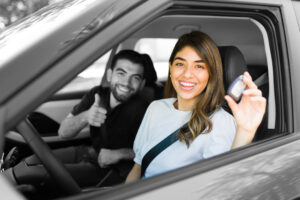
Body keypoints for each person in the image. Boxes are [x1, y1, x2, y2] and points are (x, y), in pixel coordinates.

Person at [125, 31, 266, 181]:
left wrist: (245, 131)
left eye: (199, 67)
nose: (187, 74)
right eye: (180, 64)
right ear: (171, 68)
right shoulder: (156, 108)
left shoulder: (221, 122)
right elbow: (138, 168)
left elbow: (223, 183)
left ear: (211, 74)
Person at [5, 50, 153, 189]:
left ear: (142, 84)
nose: (126, 83)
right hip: (89, 151)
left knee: (33, 173)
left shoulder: (146, 110)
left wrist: (119, 154)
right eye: (121, 73)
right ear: (109, 75)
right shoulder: (97, 94)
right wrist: (86, 116)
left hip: (111, 169)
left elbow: (155, 150)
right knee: (31, 161)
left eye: (135, 78)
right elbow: (63, 132)